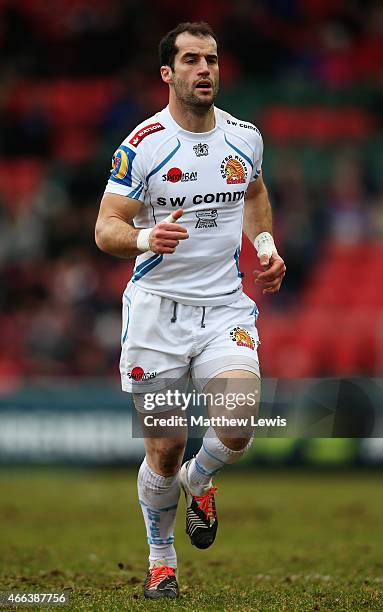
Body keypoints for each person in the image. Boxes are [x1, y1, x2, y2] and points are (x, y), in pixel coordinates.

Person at [95, 21, 285, 599]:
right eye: (192, 61)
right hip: (157, 315)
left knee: (237, 423)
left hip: (225, 306)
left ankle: (198, 482)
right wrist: (146, 238)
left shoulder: (244, 137)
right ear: (167, 73)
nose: (205, 70)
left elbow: (252, 194)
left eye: (212, 60)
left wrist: (265, 246)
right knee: (165, 443)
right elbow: (106, 228)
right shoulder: (144, 144)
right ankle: (161, 558)